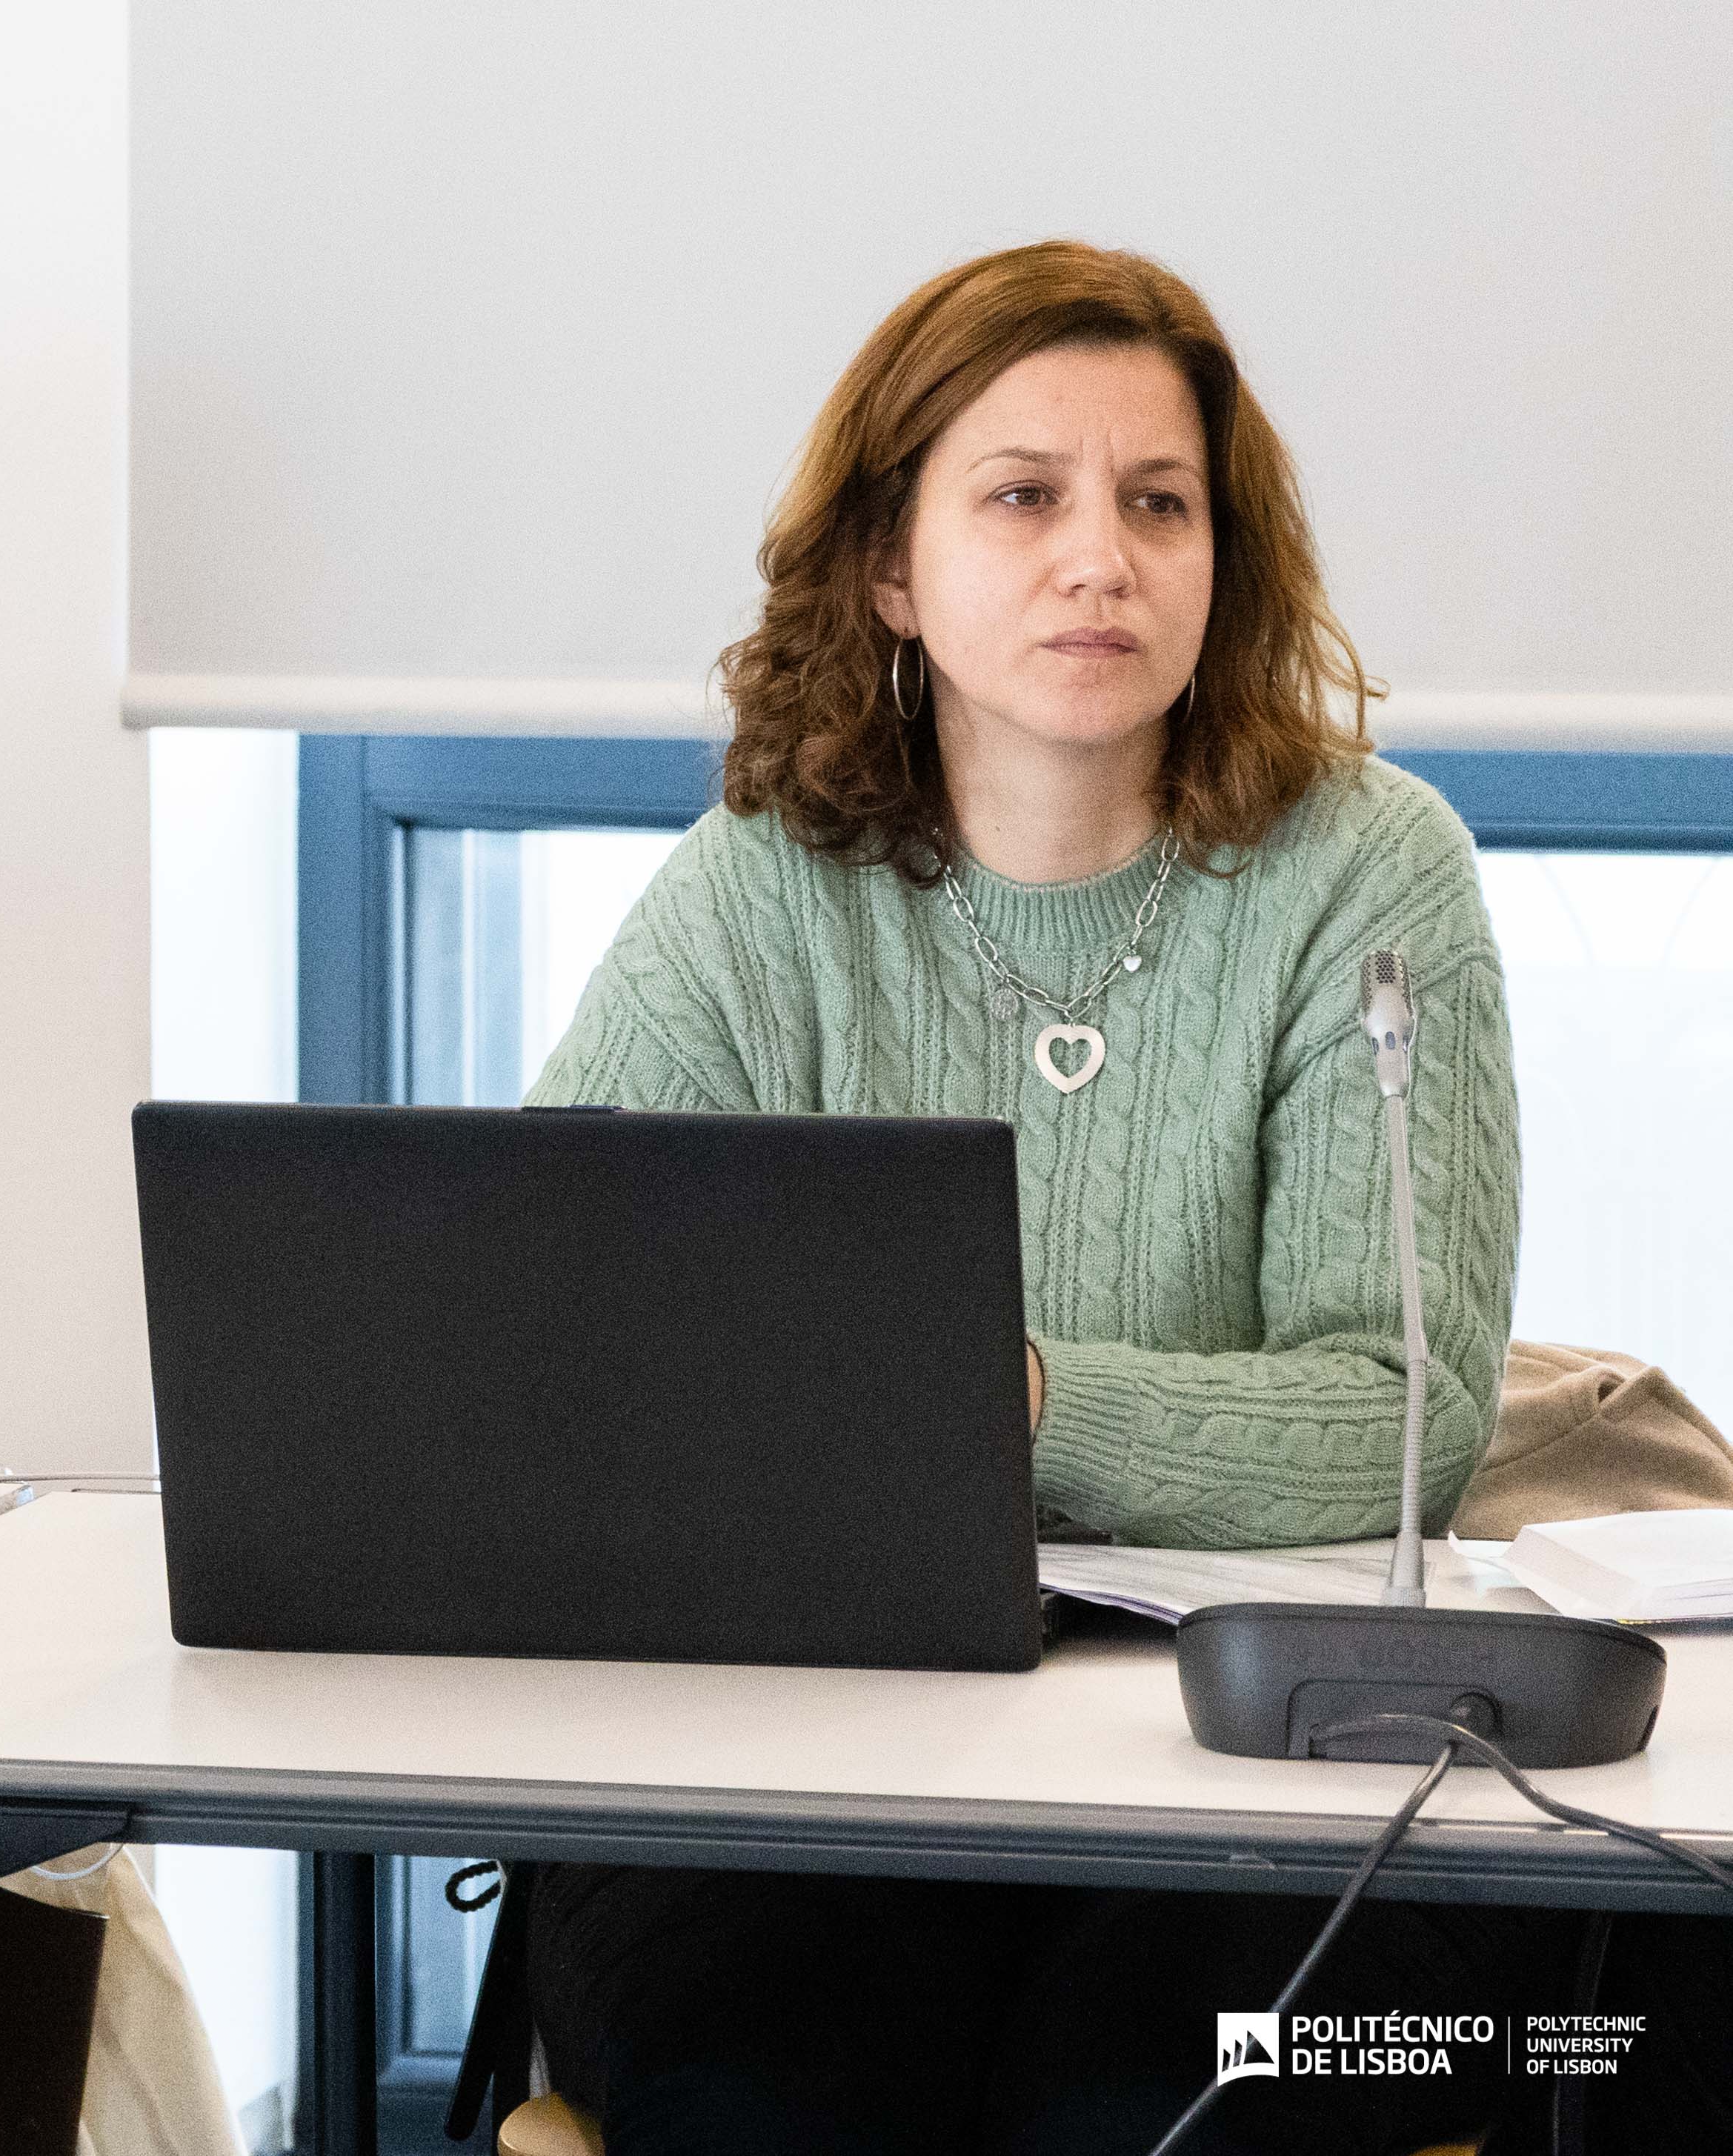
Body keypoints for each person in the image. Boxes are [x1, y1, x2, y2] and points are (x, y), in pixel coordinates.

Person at [522, 242, 1717, 2152]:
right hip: (821, 1776)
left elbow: (1390, 1425)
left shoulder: (1366, 875)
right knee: (767, 2097)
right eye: (1022, 497)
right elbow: (559, 1342)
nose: (1102, 557)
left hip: (1258, 1782)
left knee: (1135, 2106)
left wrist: (1013, 1407)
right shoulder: (754, 888)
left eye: (1158, 505)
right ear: (888, 569)